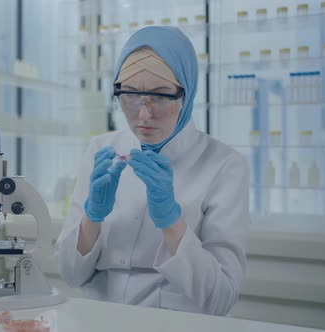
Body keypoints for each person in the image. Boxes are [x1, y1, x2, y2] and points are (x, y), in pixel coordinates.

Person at [55, 26, 250, 316]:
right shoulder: (101, 150)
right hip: (96, 317)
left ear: (187, 91)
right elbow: (71, 275)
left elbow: (220, 298)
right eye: (131, 94)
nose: (144, 115)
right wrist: (91, 219)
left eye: (159, 96)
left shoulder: (224, 165)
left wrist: (172, 222)